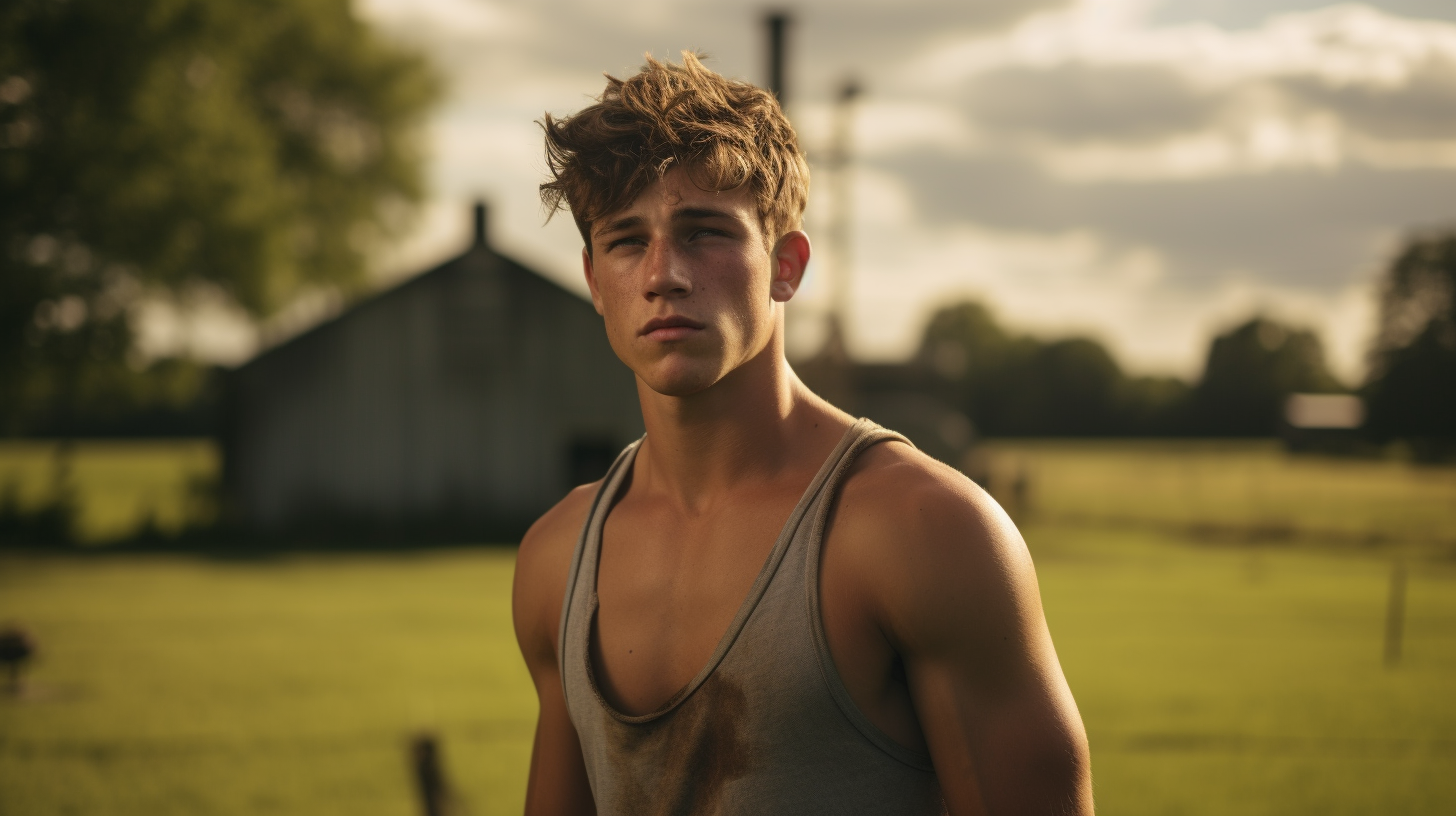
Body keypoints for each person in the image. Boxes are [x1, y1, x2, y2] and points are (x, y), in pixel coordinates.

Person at [512, 53, 1092, 816]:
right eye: (626, 240)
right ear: (594, 281)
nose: (664, 274)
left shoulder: (923, 529)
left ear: (786, 264)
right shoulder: (556, 559)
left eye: (704, 232)